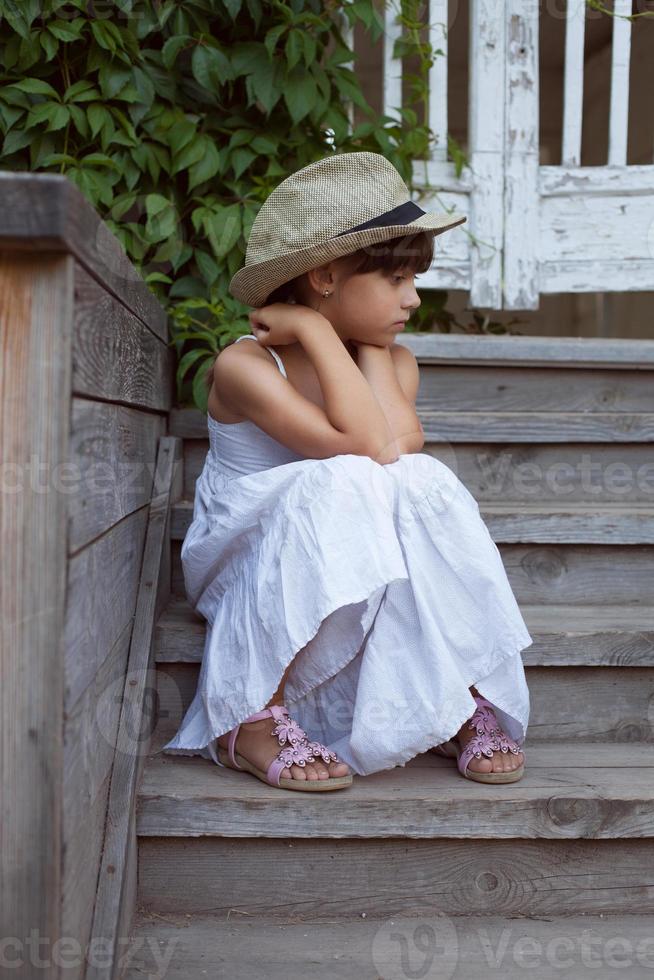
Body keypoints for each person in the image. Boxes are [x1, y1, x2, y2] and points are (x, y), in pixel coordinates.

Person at [162, 151, 532, 792]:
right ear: (326, 277)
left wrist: (325, 335)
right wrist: (311, 331)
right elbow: (358, 448)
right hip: (248, 556)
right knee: (342, 477)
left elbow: (396, 451)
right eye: (398, 280)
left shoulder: (390, 359)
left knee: (421, 480)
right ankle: (251, 714)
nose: (414, 299)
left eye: (415, 278)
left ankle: (457, 691)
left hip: (357, 555)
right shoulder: (245, 367)